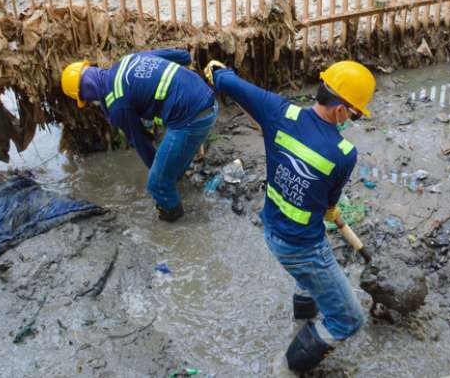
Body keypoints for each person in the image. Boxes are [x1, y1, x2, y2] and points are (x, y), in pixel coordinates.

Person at [204, 59, 376, 372]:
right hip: (303, 247)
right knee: (348, 320)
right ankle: (285, 369)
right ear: (341, 109)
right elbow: (327, 207)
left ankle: (303, 320)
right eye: (353, 112)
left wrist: (218, 72)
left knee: (308, 278)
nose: (352, 118)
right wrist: (330, 209)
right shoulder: (343, 154)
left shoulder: (278, 110)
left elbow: (229, 83)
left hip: (271, 229)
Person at [61, 49, 217, 222]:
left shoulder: (117, 105)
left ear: (86, 91)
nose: (90, 102)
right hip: (207, 97)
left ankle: (177, 224)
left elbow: (141, 143)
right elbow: (184, 56)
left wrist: (158, 176)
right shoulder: (128, 59)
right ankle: (180, 185)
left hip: (191, 119)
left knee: (157, 183)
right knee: (171, 171)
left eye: (85, 98)